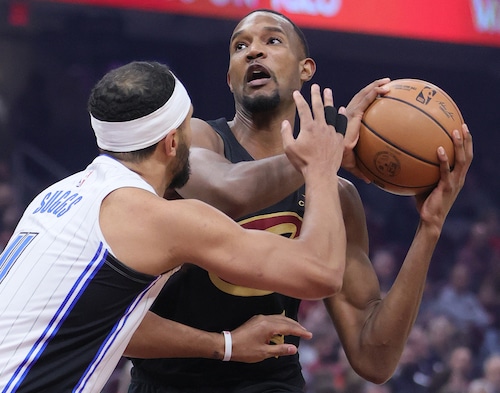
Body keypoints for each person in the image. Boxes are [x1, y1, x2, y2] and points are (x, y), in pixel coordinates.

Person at [125, 9, 473, 393]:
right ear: (229, 78)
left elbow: (374, 358)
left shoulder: (335, 194)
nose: (253, 52)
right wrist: (325, 153)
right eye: (240, 46)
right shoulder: (195, 140)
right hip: (169, 381)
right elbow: (231, 192)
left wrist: (429, 229)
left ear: (305, 69)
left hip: (272, 382)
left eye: (272, 41)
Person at [0, 60, 353, 392]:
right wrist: (320, 166)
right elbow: (320, 272)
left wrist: (225, 344)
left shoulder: (54, 196)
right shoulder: (154, 217)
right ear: (172, 143)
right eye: (188, 127)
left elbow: (106, 324)